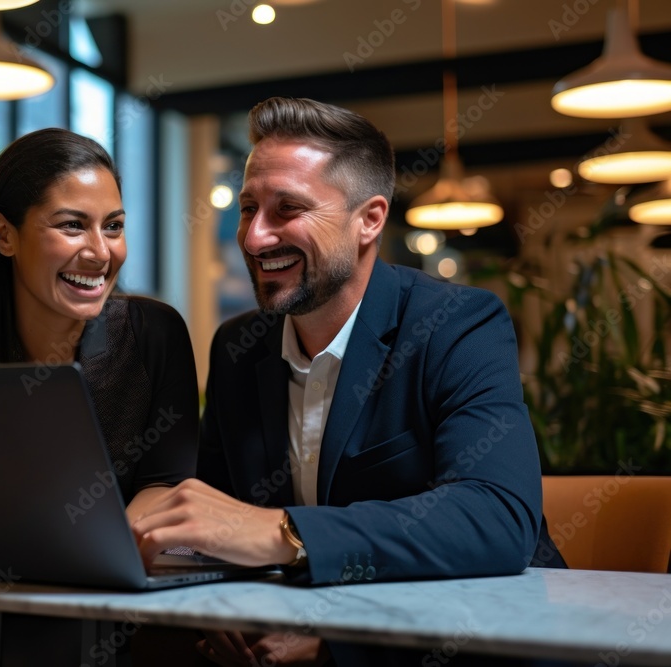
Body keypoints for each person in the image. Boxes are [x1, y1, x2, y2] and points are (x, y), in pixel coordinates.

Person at [131, 97, 564, 666]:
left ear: (370, 219)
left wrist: (284, 534)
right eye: (247, 208)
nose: (255, 238)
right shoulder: (239, 348)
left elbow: (496, 519)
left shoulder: (457, 325)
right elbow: (221, 516)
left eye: (288, 208)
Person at [0, 128, 199, 666]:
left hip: (107, 610)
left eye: (113, 227)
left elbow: (167, 483)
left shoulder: (153, 333)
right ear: (4, 235)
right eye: (72, 226)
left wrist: (84, 549)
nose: (100, 252)